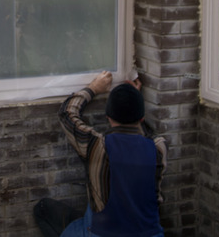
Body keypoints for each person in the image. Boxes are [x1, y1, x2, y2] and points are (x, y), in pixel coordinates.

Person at [34, 71, 167, 237]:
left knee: (43, 209)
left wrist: (93, 89)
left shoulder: (98, 146)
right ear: (141, 118)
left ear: (108, 117)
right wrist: (133, 99)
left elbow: (67, 113)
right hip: (148, 234)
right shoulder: (158, 148)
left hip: (103, 233)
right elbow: (144, 132)